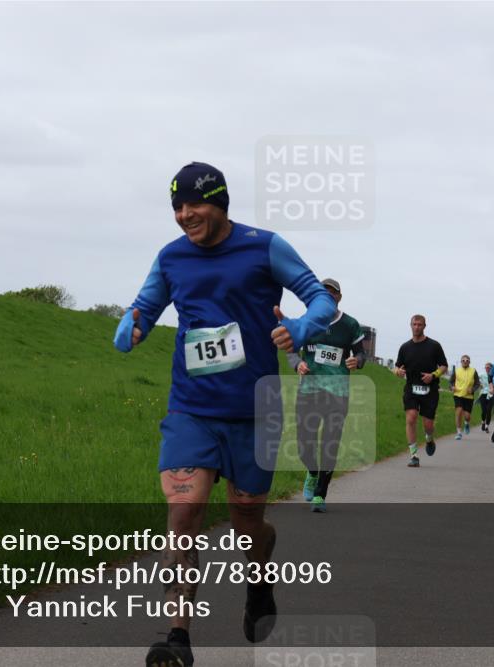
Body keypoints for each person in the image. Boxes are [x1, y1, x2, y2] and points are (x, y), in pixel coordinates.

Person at [115, 162, 334, 667]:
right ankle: (177, 636)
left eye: (193, 204)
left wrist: (301, 328)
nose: (184, 215)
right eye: (176, 206)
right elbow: (145, 303)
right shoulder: (172, 257)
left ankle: (258, 582)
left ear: (220, 202)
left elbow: (320, 298)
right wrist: (135, 322)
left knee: (246, 525)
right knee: (183, 514)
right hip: (191, 409)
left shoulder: (264, 247)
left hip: (255, 411)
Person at [287, 278, 366, 513]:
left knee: (330, 443)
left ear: (339, 297)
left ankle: (321, 494)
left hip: (338, 392)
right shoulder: (307, 320)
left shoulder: (350, 324)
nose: (328, 296)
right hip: (309, 390)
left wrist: (356, 360)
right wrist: (298, 364)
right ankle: (312, 471)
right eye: (324, 292)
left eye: (333, 293)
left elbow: (361, 355)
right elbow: (291, 351)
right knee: (304, 444)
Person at [394, 315, 448, 467]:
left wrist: (433, 375)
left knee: (428, 424)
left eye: (420, 324)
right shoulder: (405, 347)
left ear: (425, 326)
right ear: (410, 325)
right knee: (411, 418)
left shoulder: (434, 346)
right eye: (414, 324)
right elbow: (397, 366)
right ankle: (413, 455)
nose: (416, 327)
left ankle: (429, 439)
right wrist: (397, 371)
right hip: (411, 388)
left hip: (430, 390)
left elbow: (444, 366)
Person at [447, 355, 480, 440]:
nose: (465, 362)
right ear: (461, 362)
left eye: (467, 360)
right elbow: (450, 382)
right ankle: (458, 433)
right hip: (458, 395)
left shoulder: (473, 371)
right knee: (458, 412)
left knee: (467, 416)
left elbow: (477, 383)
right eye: (463, 360)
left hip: (469, 396)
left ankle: (466, 423)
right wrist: (452, 387)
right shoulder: (457, 371)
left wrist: (472, 390)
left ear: (469, 362)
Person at [477, 362, 493, 433]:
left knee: (489, 410)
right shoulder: (481, 374)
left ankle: (487, 426)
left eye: (488, 367)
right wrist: (479, 384)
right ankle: (483, 421)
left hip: (491, 394)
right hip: (483, 394)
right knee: (484, 410)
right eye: (486, 367)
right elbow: (475, 379)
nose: (487, 369)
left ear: (491, 368)